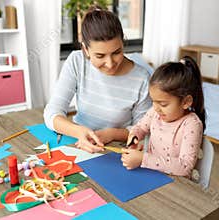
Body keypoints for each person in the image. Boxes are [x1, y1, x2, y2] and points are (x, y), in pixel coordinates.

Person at [44, 7, 151, 153]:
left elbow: (143, 129)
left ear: (123, 43)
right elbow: (52, 112)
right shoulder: (77, 61)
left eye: (116, 52)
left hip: (117, 149)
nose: (110, 63)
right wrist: (78, 131)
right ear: (86, 49)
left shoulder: (142, 78)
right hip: (78, 143)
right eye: (100, 56)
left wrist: (112, 134)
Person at [121, 57, 206, 178]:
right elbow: (140, 127)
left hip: (175, 183)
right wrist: (134, 136)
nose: (156, 108)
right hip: (151, 174)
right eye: (153, 101)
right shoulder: (155, 112)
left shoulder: (192, 124)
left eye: (163, 104)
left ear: (186, 102)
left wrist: (143, 159)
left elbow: (185, 167)